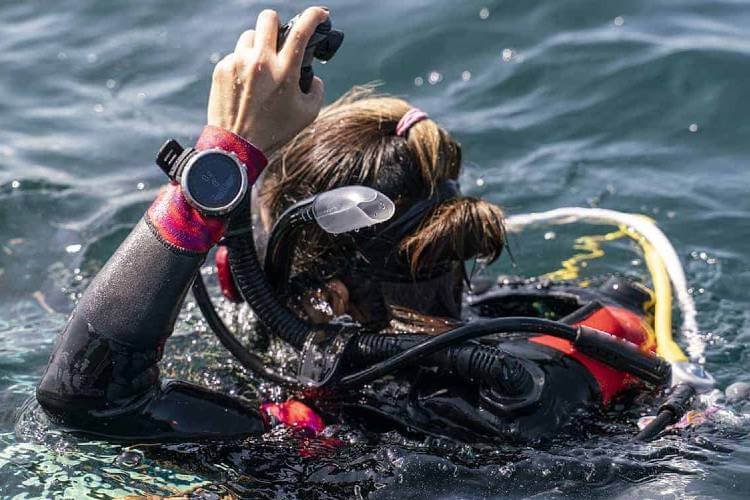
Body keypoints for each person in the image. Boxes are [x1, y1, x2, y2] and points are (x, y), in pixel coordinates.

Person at [36, 7, 659, 443]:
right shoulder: (548, 343)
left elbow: (82, 399)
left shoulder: (334, 433)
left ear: (326, 294)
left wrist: (227, 156)